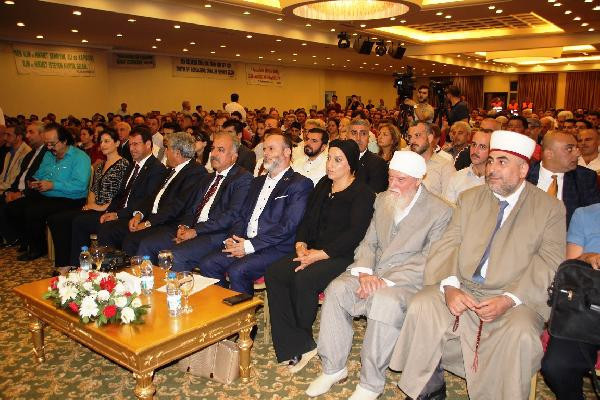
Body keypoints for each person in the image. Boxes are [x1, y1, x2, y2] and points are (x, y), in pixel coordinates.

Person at [391, 130, 566, 400]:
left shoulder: (549, 208)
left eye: (502, 162)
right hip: (464, 287)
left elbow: (550, 262)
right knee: (423, 304)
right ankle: (428, 386)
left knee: (521, 334)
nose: (492, 169)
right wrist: (450, 287)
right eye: (491, 161)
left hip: (516, 298)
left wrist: (509, 299)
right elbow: (448, 244)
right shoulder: (470, 198)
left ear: (523, 169)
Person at [305, 151, 452, 399]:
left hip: (407, 281)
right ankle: (333, 368)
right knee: (337, 289)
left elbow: (429, 259)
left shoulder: (440, 211)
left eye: (400, 180)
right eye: (390, 177)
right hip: (372, 273)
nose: (393, 185)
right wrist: (364, 273)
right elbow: (369, 242)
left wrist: (384, 280)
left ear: (418, 180)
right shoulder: (383, 199)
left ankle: (370, 383)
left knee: (385, 301)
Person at [266, 139, 375, 372]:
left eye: (338, 160)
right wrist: (301, 244)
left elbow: (355, 234)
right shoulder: (324, 184)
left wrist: (320, 255)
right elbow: (307, 219)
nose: (330, 165)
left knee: (303, 278)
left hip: (342, 255)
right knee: (275, 273)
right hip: (312, 250)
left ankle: (302, 335)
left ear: (351, 164)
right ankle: (298, 343)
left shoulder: (362, 193)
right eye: (329, 159)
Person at [199, 132, 313, 295]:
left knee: (238, 270)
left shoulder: (299, 184)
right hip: (247, 241)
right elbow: (241, 216)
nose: (265, 153)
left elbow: (288, 226)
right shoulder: (257, 182)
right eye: (264, 149)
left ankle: (243, 310)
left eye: (271, 149)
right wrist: (233, 239)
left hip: (276, 248)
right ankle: (221, 306)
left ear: (287, 152)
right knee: (208, 264)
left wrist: (249, 246)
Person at [136, 131, 252, 266]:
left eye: (221, 150)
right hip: (194, 229)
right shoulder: (208, 178)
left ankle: (176, 280)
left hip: (216, 234)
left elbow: (231, 215)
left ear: (234, 156)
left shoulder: (242, 179)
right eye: (213, 148)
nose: (214, 154)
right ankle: (146, 279)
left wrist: (196, 231)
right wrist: (183, 226)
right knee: (147, 245)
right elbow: (192, 207)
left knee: (174, 255)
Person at [69, 125, 167, 264]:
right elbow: (120, 194)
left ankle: (109, 268)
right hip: (120, 212)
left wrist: (117, 215)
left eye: (136, 144)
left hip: (135, 216)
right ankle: (78, 266)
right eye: (130, 144)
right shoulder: (133, 165)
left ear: (148, 144)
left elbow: (147, 201)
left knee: (106, 228)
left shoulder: (156, 168)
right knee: (80, 221)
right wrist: (109, 211)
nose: (132, 148)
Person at [97, 132, 206, 255]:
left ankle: (133, 267)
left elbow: (176, 206)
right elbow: (152, 197)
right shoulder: (171, 170)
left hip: (171, 224)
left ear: (177, 153)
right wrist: (139, 215)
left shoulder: (195, 172)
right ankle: (110, 264)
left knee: (133, 240)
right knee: (109, 229)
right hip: (154, 218)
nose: (165, 152)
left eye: (167, 149)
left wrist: (148, 223)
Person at [6, 123, 91, 261]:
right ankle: (27, 241)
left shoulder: (80, 157)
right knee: (14, 207)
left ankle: (37, 248)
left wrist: (53, 185)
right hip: (46, 195)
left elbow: (80, 186)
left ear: (64, 141)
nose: (49, 147)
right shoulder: (48, 155)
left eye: (52, 144)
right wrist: (34, 181)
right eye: (47, 144)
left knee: (34, 211)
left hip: (71, 199)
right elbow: (39, 174)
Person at [541, 203, 600, 400]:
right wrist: (588, 257)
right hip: (587, 309)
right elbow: (570, 269)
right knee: (557, 366)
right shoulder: (585, 215)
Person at [47, 129, 129, 267]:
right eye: (101, 141)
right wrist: (90, 204)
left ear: (117, 143)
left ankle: (77, 265)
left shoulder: (123, 164)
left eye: (107, 141)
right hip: (95, 208)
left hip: (110, 210)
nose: (103, 145)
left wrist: (98, 207)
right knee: (59, 219)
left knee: (79, 221)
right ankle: (63, 264)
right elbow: (93, 189)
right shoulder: (100, 166)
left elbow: (121, 195)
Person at [526, 130, 600, 225]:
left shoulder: (585, 177)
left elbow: (593, 218)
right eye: (569, 149)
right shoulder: (523, 175)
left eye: (576, 148)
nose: (578, 154)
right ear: (549, 154)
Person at [0, 121, 47, 246]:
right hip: (20, 190)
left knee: (14, 208)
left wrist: (21, 194)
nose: (27, 135)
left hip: (33, 193)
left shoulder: (47, 154)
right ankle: (12, 237)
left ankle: (17, 238)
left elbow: (37, 180)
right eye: (27, 132)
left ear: (42, 134)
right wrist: (10, 191)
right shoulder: (31, 154)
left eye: (31, 132)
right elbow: (20, 177)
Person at [407, 122, 456, 197]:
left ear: (430, 138)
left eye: (417, 135)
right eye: (410, 137)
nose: (412, 141)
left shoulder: (445, 166)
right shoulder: (405, 163)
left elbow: (449, 201)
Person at [444, 128, 491, 204]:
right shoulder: (456, 177)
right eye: (474, 144)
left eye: (482, 147)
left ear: (492, 151)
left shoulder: (497, 182)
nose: (475, 151)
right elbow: (448, 209)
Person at [347, 119, 388, 193]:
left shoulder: (378, 163)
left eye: (363, 134)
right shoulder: (339, 160)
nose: (358, 138)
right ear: (347, 137)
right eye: (354, 133)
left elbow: (373, 196)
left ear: (368, 138)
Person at [0, 125, 31, 195]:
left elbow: (13, 182)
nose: (4, 138)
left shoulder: (26, 153)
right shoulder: (9, 152)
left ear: (19, 137)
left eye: (8, 135)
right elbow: (3, 176)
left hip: (12, 191)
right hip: (4, 188)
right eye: (4, 134)